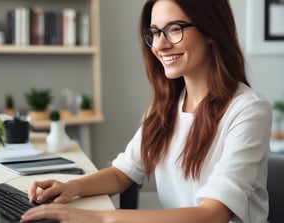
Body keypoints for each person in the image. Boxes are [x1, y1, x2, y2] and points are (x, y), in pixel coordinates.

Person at [21, 0, 272, 222]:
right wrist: (70, 187)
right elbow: (123, 173)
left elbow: (212, 214)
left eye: (175, 29)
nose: (160, 45)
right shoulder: (164, 107)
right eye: (154, 33)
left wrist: (98, 219)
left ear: (211, 31)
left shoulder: (248, 111)